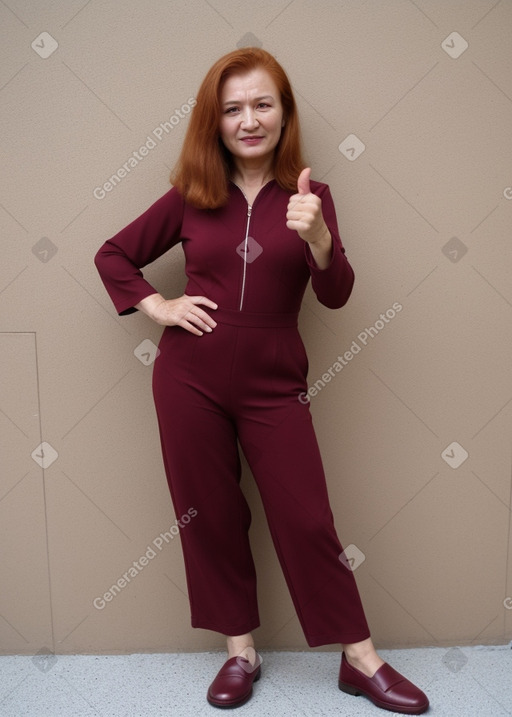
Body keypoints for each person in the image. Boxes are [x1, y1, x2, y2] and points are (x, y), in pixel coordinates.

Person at [94, 47, 429, 714]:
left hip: (276, 383)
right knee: (210, 516)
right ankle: (240, 651)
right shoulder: (192, 196)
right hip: (188, 377)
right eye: (233, 108)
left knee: (307, 517)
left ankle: (359, 658)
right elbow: (114, 254)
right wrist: (158, 306)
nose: (249, 119)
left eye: (263, 104)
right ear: (214, 122)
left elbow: (335, 296)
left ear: (284, 113)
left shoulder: (312, 199)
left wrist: (322, 242)